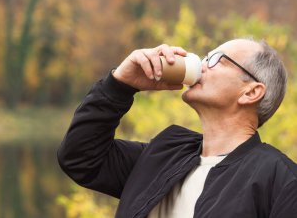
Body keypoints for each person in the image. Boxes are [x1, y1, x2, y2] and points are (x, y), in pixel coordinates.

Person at [57, 38, 297, 218]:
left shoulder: (281, 180)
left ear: (251, 92)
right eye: (204, 58)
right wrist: (120, 85)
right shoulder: (165, 154)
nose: (201, 66)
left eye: (215, 60)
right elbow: (80, 158)